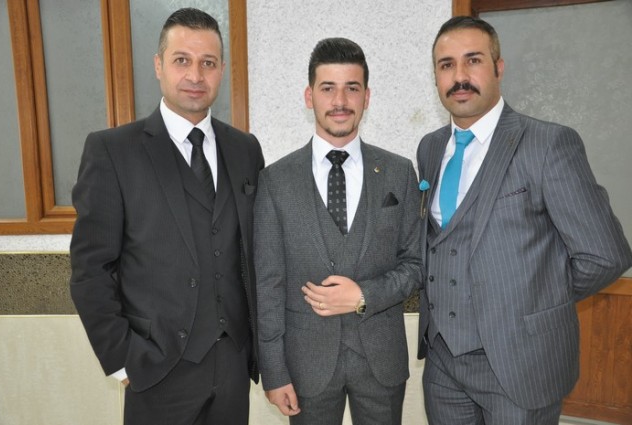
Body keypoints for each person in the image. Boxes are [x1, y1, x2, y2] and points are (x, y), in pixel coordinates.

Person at [416, 15, 632, 425]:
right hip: (443, 364)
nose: (459, 77)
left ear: (498, 67)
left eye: (473, 60)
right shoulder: (430, 148)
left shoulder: (548, 144)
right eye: (446, 65)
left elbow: (605, 255)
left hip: (519, 363)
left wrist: (531, 302)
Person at [69, 8, 264, 425]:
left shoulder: (245, 149)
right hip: (154, 370)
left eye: (207, 63)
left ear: (222, 70)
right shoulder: (112, 151)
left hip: (233, 367)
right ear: (158, 66)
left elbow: (253, 252)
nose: (195, 75)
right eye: (182, 60)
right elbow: (90, 269)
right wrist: (122, 360)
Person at [254, 37, 422, 425]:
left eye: (352, 88)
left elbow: (415, 264)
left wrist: (363, 295)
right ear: (309, 96)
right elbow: (268, 283)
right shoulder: (275, 181)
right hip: (306, 366)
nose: (340, 101)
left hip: (381, 361)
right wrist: (274, 371)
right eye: (328, 88)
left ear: (367, 96)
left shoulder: (399, 172)